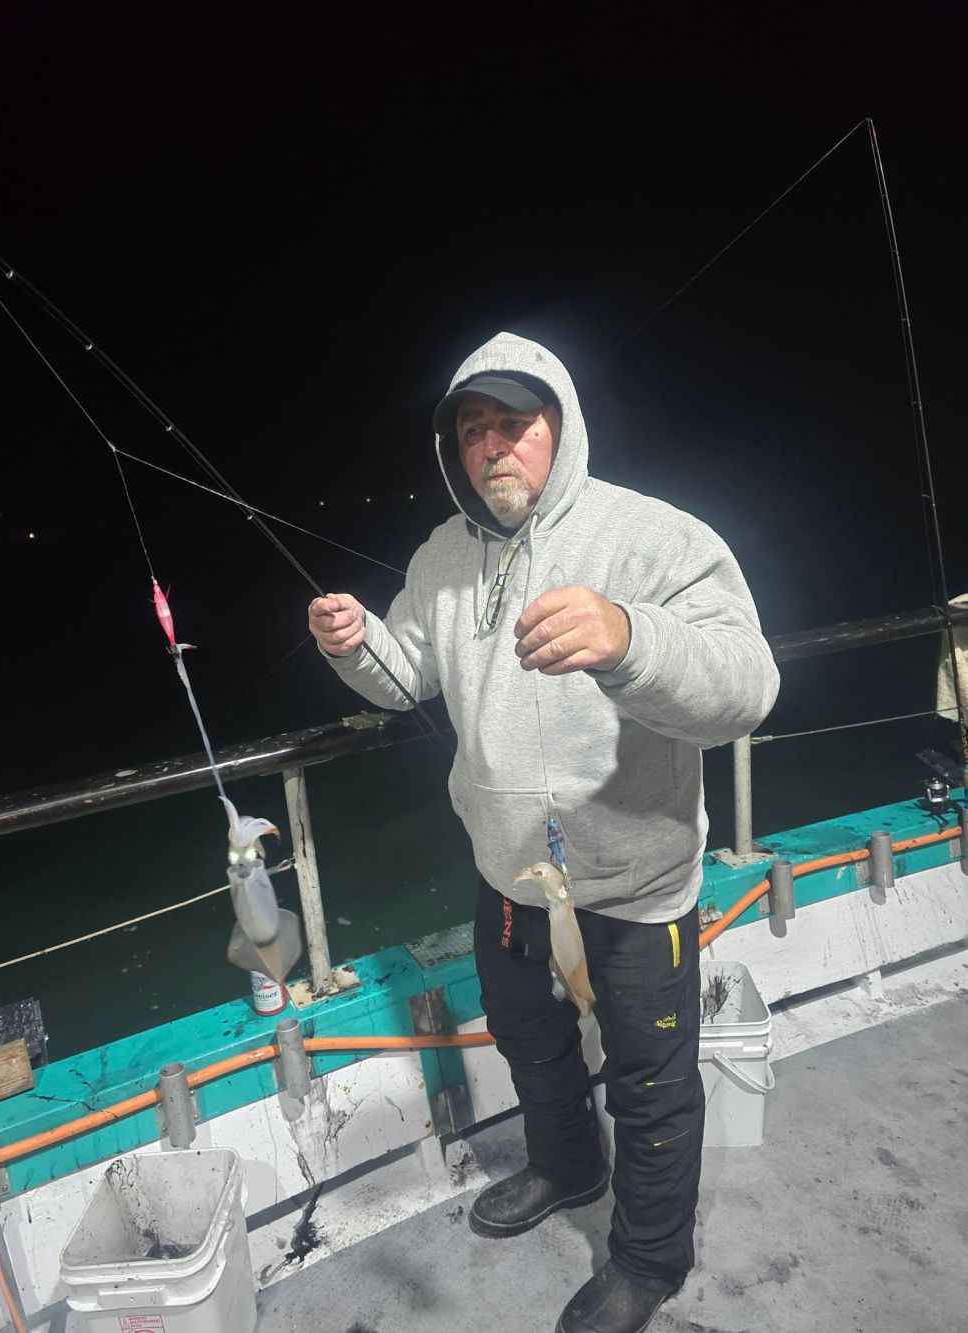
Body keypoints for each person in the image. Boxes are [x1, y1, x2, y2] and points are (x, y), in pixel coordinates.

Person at [308, 331, 779, 1333]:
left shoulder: (653, 538)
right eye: (474, 430)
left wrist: (628, 634)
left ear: (559, 431)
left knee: (651, 1083)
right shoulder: (441, 553)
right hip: (509, 872)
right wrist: (357, 647)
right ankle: (566, 1166)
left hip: (635, 882)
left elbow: (748, 685)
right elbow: (409, 678)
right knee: (533, 1043)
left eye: (514, 425)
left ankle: (650, 1259)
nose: (493, 448)